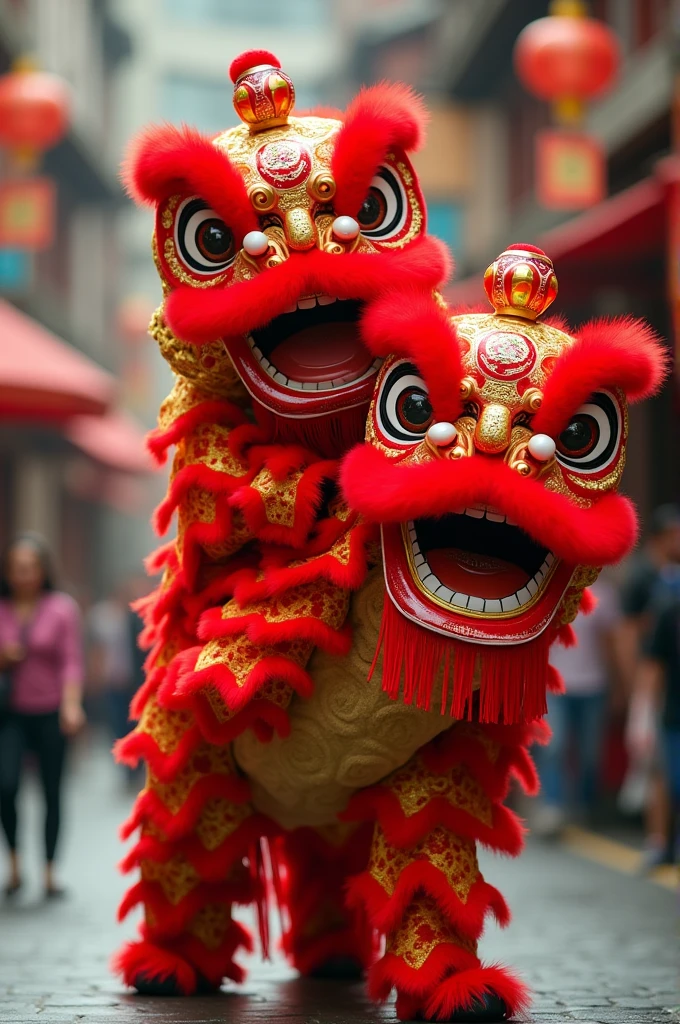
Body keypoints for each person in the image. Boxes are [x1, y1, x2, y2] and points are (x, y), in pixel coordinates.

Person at [0, 533, 86, 898]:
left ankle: (50, 871)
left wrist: (71, 705)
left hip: (51, 709)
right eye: (17, 568)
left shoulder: (62, 608)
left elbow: (71, 661)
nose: (24, 575)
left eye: (31, 567)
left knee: (52, 790)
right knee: (6, 786)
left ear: (43, 570)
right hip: (9, 714)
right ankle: (16, 864)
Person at [537, 576, 622, 835]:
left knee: (590, 753)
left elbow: (610, 643)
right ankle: (554, 806)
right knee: (555, 746)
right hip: (554, 686)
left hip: (593, 686)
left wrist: (619, 684)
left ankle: (584, 805)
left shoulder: (605, 594)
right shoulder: (550, 586)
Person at [620, 504, 680, 868]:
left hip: (660, 683)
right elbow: (630, 636)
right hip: (660, 691)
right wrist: (635, 694)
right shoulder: (644, 579)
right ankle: (658, 841)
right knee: (659, 770)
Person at [88, 579, 146, 786]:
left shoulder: (139, 616)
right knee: (116, 726)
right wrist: (96, 676)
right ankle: (126, 767)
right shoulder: (104, 616)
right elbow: (97, 649)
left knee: (136, 725)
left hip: (134, 682)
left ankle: (136, 766)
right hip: (111, 681)